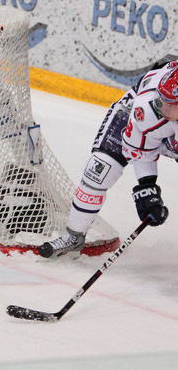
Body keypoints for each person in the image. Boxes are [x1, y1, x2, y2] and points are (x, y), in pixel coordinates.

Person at [38, 62, 178, 258]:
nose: (162, 106)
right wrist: (147, 186)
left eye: (170, 103)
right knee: (100, 170)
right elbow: (140, 147)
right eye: (162, 99)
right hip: (137, 119)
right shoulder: (149, 107)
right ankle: (73, 235)